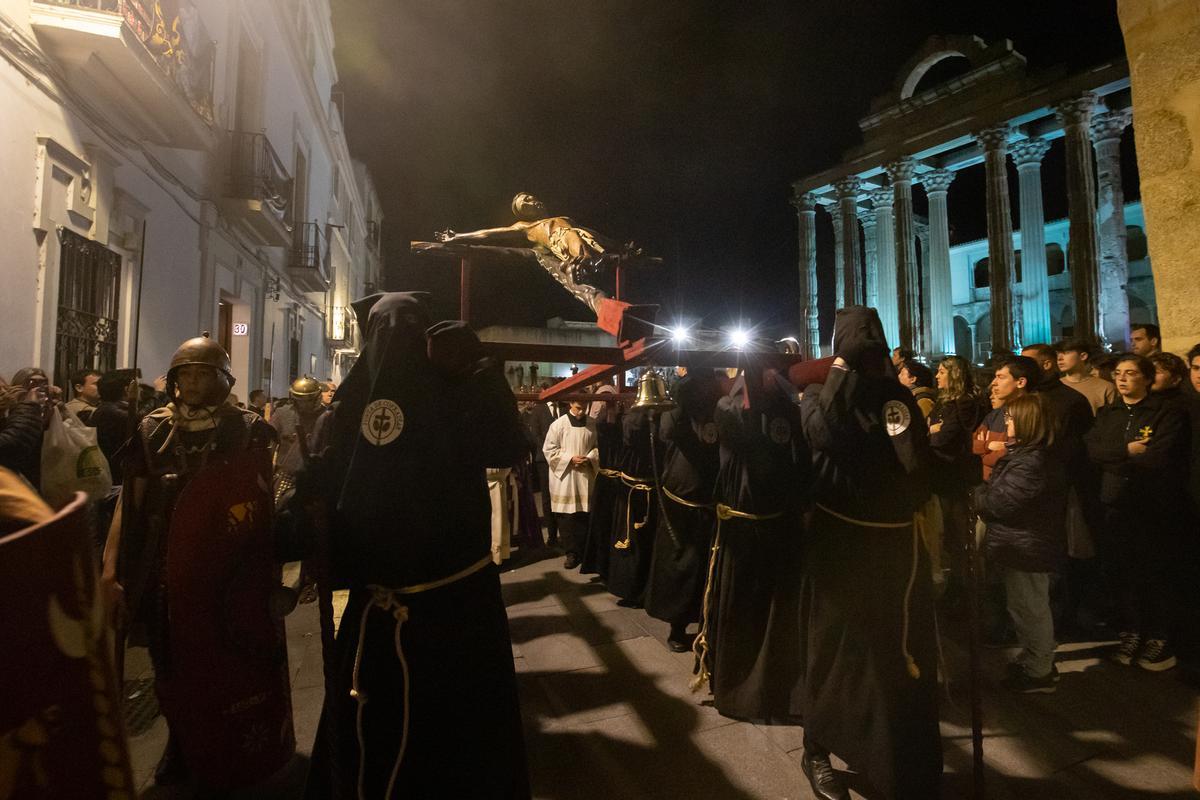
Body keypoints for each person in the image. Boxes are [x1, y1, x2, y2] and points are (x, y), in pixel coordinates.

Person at [289, 292, 530, 798]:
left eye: (406, 330)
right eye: (382, 330)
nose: (393, 342)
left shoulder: (460, 398)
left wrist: (483, 368)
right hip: (378, 614)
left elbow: (509, 446)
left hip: (458, 612)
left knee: (458, 747)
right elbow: (323, 497)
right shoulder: (346, 416)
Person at [100, 333, 287, 788]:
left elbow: (262, 504)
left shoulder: (249, 429)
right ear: (174, 380)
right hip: (165, 566)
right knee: (170, 664)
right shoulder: (152, 429)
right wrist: (109, 568)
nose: (195, 381)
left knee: (230, 659)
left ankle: (235, 742)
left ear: (223, 378)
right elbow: (132, 503)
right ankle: (181, 742)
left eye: (204, 373)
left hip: (231, 569)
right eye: (187, 373)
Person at [799, 306, 941, 800]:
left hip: (897, 545)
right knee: (835, 653)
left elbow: (913, 462)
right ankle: (815, 748)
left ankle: (894, 758)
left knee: (894, 654)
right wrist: (840, 369)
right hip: (843, 544)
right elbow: (825, 435)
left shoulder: (896, 398)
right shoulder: (818, 396)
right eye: (860, 352)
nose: (869, 361)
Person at [698, 368, 808, 729]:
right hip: (744, 532)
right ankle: (740, 687)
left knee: (775, 617)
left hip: (777, 529)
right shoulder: (727, 410)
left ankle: (777, 689)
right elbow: (737, 438)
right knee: (744, 614)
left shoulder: (785, 411)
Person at [1085, 354, 1189, 671]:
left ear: (1146, 378)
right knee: (1123, 572)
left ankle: (1159, 637)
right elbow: (1093, 451)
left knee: (1154, 572)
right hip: (1115, 504)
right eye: (1118, 373)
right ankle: (1132, 630)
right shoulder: (1109, 413)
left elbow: (1159, 455)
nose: (1122, 378)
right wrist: (1127, 450)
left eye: (1130, 373)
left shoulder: (1165, 412)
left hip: (1152, 504)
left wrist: (1114, 456)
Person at [975, 394, 1065, 693]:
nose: (1007, 423)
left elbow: (1001, 501)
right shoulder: (1025, 456)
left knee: (1030, 608)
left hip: (1028, 543)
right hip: (1021, 542)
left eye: (1011, 418)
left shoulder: (1032, 461)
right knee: (1023, 605)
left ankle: (1039, 671)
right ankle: (1033, 660)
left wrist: (977, 497)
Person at [645, 369, 722, 652]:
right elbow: (666, 431)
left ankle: (706, 625)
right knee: (679, 571)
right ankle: (677, 627)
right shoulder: (677, 415)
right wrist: (682, 400)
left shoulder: (719, 410)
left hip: (710, 505)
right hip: (680, 506)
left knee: (707, 572)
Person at [927, 356, 985, 587]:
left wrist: (934, 431)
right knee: (948, 529)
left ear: (954, 375)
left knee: (958, 528)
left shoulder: (963, 403)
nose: (937, 376)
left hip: (955, 474)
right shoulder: (944, 402)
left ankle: (965, 581)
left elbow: (944, 438)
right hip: (943, 473)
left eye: (942, 372)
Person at [605, 402, 658, 605]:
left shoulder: (653, 418)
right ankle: (632, 589)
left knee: (647, 544)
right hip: (632, 491)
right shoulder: (632, 420)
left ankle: (645, 589)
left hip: (649, 490)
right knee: (633, 544)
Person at [543, 399, 599, 570]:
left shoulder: (592, 423)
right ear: (570, 405)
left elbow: (597, 447)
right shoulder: (558, 425)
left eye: (584, 408)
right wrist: (570, 459)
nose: (581, 412)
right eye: (578, 408)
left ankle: (584, 550)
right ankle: (571, 553)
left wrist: (590, 458)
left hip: (584, 474)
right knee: (567, 517)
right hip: (565, 477)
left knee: (584, 514)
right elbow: (549, 450)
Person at [973, 356, 1038, 481]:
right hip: (991, 484)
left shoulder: (1032, 415)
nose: (993, 382)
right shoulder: (995, 414)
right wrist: (989, 445)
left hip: (1013, 485)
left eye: (1001, 377)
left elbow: (1010, 455)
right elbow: (971, 443)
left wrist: (983, 456)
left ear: (1020, 382)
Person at [269, 376, 325, 504]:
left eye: (308, 400)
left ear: (316, 398)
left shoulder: (327, 416)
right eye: (300, 400)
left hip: (316, 480)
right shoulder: (282, 414)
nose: (304, 404)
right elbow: (269, 448)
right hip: (286, 477)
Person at [527, 386, 561, 546]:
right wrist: (550, 452)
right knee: (547, 497)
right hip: (544, 459)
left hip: (562, 459)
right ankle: (552, 534)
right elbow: (535, 435)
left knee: (561, 495)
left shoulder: (563, 407)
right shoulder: (538, 410)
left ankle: (564, 532)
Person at [1056, 338, 1116, 414]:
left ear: (1083, 356)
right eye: (1057, 354)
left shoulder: (1106, 387)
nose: (1059, 358)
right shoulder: (1055, 387)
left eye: (1066, 353)